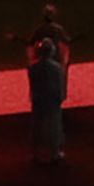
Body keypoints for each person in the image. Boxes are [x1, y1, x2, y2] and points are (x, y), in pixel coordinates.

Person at [26, 36, 69, 165]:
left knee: (37, 126)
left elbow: (33, 84)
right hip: (51, 99)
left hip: (39, 99)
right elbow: (59, 84)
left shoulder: (33, 67)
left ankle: (35, 152)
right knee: (54, 126)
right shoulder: (56, 68)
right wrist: (60, 97)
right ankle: (54, 152)